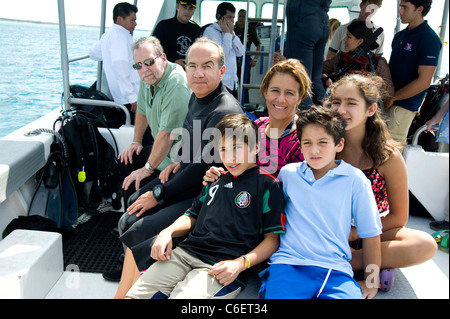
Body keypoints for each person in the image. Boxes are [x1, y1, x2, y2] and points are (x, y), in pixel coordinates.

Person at [112, 37, 244, 298]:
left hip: (208, 197)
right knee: (134, 202)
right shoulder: (198, 97)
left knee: (137, 227)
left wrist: (159, 194)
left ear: (222, 71)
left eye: (207, 66)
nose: (197, 73)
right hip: (189, 178)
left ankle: (128, 289)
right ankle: (137, 276)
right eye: (192, 65)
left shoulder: (223, 111)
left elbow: (201, 170)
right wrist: (178, 162)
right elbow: (189, 140)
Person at [125, 113, 286, 299]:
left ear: (256, 146)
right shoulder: (215, 179)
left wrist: (241, 264)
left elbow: (273, 240)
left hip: (221, 265)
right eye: (223, 149)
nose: (230, 157)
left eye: (237, 148)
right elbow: (192, 215)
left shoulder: (267, 185)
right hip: (184, 253)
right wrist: (167, 232)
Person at [328, 74, 437, 291]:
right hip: (330, 229)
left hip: (374, 230)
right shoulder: (323, 147)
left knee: (424, 245)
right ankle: (378, 261)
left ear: (370, 110)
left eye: (351, 103)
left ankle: (353, 261)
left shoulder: (388, 156)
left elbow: (398, 217)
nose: (341, 109)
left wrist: (357, 233)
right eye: (336, 102)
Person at [260, 105, 382, 299]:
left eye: (323, 142)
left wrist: (372, 281)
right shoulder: (288, 174)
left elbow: (371, 234)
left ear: (339, 145)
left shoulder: (356, 180)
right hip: (289, 265)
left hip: (336, 270)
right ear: (299, 145)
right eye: (307, 142)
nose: (314, 150)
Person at [203, 58, 312, 184]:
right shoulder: (256, 126)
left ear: (300, 98)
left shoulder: (304, 140)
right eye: (275, 90)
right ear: (265, 92)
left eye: (290, 93)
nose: (281, 99)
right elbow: (238, 168)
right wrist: (219, 176)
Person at [118, 37, 190, 209]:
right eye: (138, 65)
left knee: (134, 191)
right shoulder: (148, 77)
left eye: (149, 62)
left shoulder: (176, 83)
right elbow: (142, 110)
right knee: (125, 162)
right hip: (161, 150)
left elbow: (166, 136)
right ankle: (123, 219)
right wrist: (136, 141)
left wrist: (147, 168)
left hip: (177, 159)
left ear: (163, 58)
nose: (144, 69)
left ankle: (131, 225)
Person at [386, 0, 442, 145]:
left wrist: (393, 97)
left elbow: (424, 82)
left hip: (403, 107)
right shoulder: (399, 36)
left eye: (405, 8)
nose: (400, 12)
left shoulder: (429, 39)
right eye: (400, 7)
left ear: (419, 9)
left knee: (391, 150)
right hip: (386, 102)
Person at [89, 2, 140, 123]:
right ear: (120, 19)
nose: (135, 23)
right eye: (132, 20)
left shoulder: (109, 34)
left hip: (122, 95)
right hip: (129, 97)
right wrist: (132, 97)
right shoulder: (119, 36)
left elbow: (93, 53)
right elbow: (120, 66)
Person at [322, 20, 394, 98]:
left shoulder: (378, 62)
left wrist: (381, 84)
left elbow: (390, 92)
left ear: (360, 41)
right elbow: (317, 69)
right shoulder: (340, 59)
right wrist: (326, 78)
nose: (344, 40)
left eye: (349, 37)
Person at [284, 0, 331, 108]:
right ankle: (328, 116)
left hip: (303, 20)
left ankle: (305, 121)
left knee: (301, 79)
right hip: (323, 20)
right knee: (315, 78)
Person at [203, 2, 245, 97]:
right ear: (219, 17)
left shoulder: (230, 31)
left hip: (232, 83)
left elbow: (241, 52)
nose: (232, 21)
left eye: (233, 17)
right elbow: (221, 54)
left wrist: (231, 34)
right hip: (219, 84)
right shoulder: (210, 31)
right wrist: (227, 34)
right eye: (229, 17)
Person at [152, 0, 201, 68]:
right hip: (167, 70)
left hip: (189, 71)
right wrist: (173, 61)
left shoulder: (197, 30)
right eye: (184, 7)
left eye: (191, 8)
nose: (187, 11)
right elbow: (153, 52)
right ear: (177, 6)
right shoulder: (163, 26)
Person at [234, 9, 262, 104]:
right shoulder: (233, 29)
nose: (241, 18)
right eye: (240, 16)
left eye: (243, 16)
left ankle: (244, 104)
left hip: (246, 59)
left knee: (244, 82)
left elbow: (258, 45)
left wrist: (255, 59)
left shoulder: (250, 30)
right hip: (233, 58)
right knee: (233, 82)